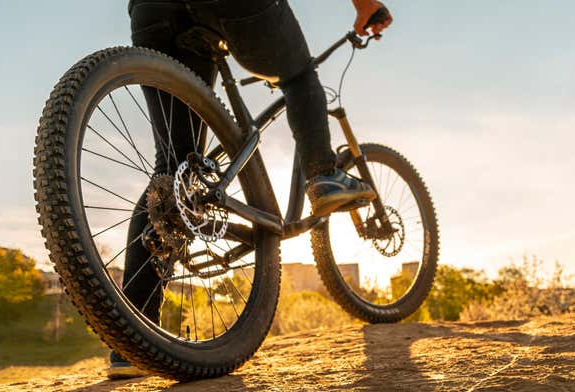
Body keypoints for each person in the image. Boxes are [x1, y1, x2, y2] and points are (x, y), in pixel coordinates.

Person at [107, 0, 392, 379]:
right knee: (298, 75)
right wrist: (366, 5)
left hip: (151, 9)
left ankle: (132, 344)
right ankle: (323, 175)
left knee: (172, 168)